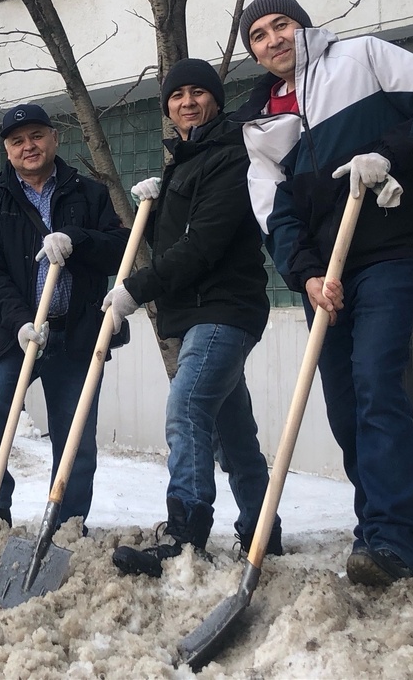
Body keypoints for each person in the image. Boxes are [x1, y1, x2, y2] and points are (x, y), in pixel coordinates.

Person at [234, 0, 413, 586]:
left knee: (375, 381)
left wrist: (386, 152)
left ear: (302, 26)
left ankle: (394, 537)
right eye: (259, 36)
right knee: (344, 405)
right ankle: (371, 527)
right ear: (254, 53)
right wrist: (308, 275)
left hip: (390, 254)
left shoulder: (362, 58)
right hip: (327, 275)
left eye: (281, 25)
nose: (273, 40)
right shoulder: (262, 123)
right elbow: (276, 214)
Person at [101, 59, 280, 578]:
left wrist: (137, 287)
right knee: (233, 433)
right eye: (177, 96)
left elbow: (203, 245)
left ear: (216, 101)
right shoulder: (190, 157)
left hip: (223, 308)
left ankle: (185, 534)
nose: (187, 102)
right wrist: (154, 212)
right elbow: (179, 239)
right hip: (205, 311)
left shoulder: (227, 155)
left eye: (198, 93)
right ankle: (262, 529)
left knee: (186, 407)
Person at [0, 103, 129, 532]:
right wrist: (20, 320)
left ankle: (67, 522)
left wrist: (76, 238)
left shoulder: (88, 194)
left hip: (75, 333)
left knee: (75, 435)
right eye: (17, 141)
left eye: (36, 136)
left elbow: (118, 248)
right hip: (13, 333)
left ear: (54, 138)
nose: (28, 146)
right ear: (7, 150)